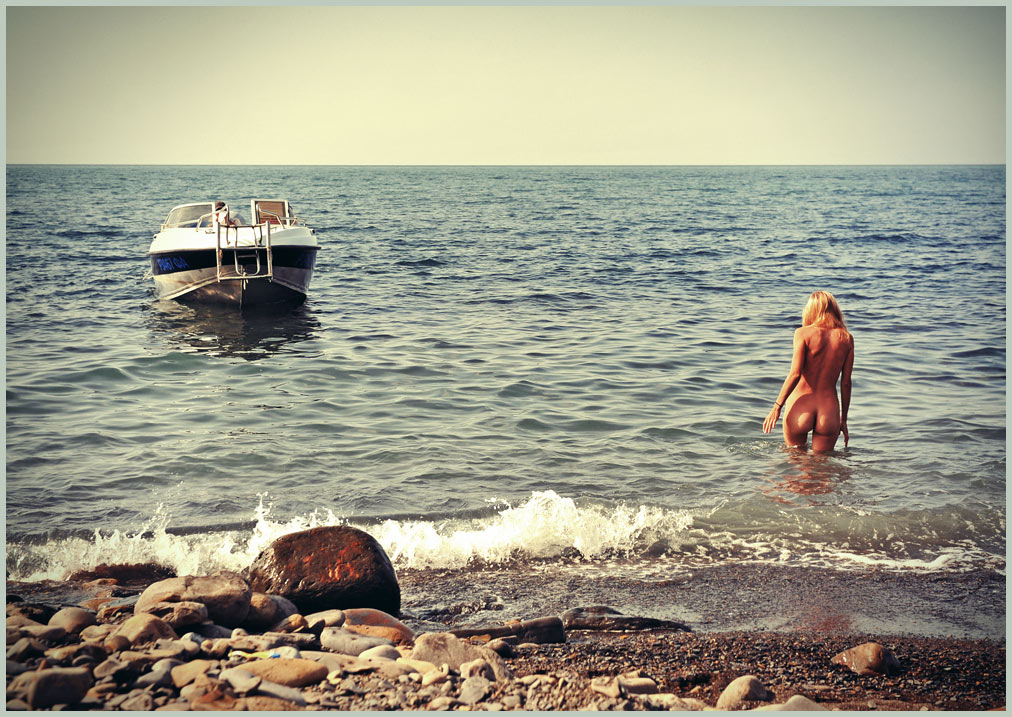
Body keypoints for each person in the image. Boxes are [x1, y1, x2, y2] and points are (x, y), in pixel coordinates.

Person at [762, 291, 854, 453]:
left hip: (801, 407)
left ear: (811, 310)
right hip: (828, 411)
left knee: (795, 465)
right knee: (823, 469)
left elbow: (795, 374)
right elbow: (846, 383)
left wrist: (777, 407)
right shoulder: (846, 338)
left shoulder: (802, 333)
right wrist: (843, 420)